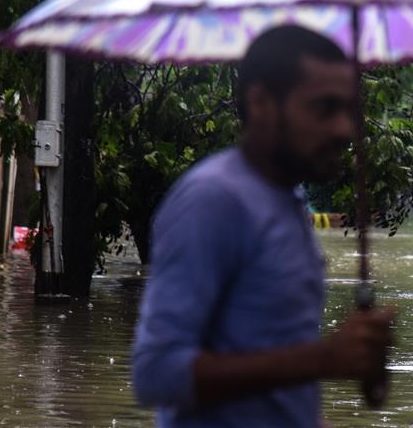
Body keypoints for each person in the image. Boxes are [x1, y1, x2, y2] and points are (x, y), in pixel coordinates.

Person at [132, 25, 394, 428]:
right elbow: (156, 375)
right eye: (325, 109)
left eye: (349, 111)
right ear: (261, 103)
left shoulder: (288, 199)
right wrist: (324, 359)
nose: (344, 130)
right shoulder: (213, 200)